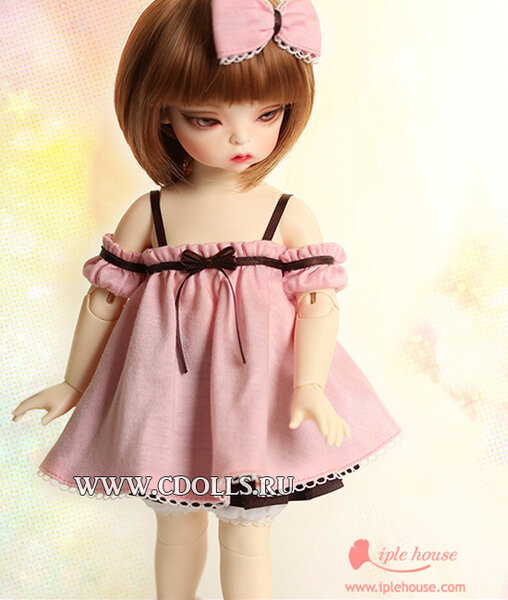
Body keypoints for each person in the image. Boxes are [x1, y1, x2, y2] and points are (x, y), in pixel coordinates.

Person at [11, 0, 402, 598]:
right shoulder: (153, 211)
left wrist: (309, 385)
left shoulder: (286, 213)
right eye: (208, 119)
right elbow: (103, 300)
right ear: (163, 116)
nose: (243, 137)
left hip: (254, 400)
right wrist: (73, 382)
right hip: (168, 396)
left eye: (267, 113)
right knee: (176, 527)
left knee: (246, 533)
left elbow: (318, 304)